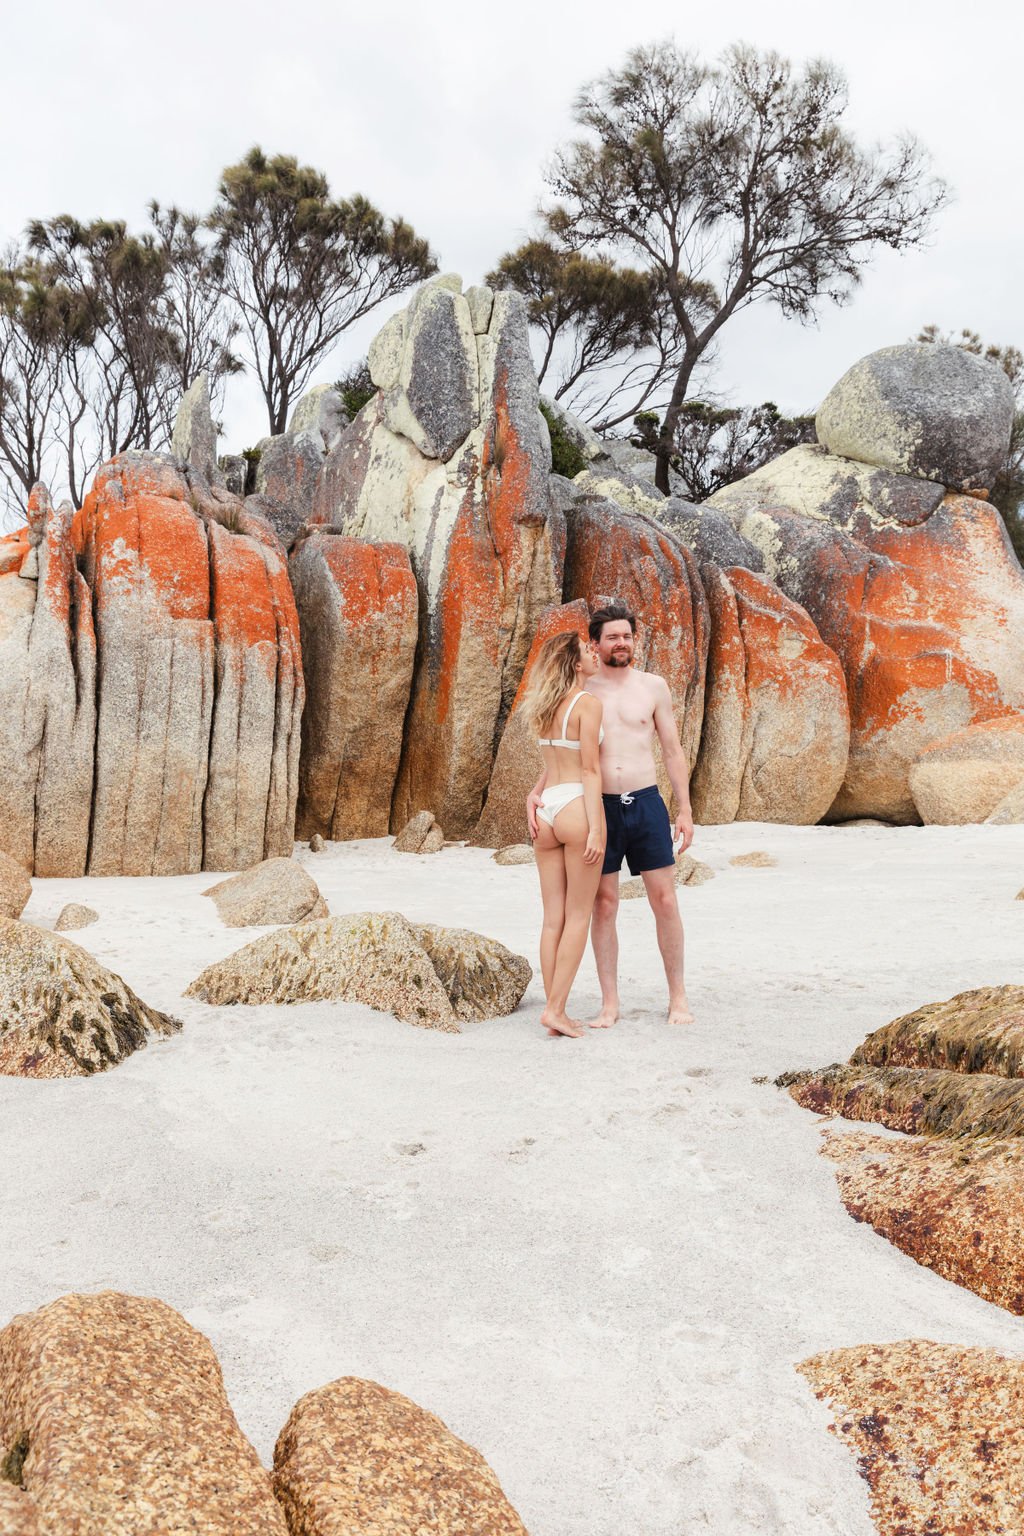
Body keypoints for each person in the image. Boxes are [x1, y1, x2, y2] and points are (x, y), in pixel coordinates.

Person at [528, 603, 694, 1028]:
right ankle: (609, 1004)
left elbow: (673, 751)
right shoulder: (584, 689)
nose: (621, 643)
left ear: (634, 639)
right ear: (595, 644)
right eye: (612, 637)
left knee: (665, 899)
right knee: (603, 904)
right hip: (596, 807)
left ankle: (678, 998)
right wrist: (537, 790)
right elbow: (569, 754)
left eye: (627, 636)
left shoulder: (653, 687)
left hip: (645, 801)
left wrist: (685, 808)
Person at [521, 631, 606, 1038]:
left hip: (548, 810)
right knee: (578, 916)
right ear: (574, 663)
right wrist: (599, 828)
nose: (593, 652)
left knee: (551, 918)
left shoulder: (546, 704)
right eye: (587, 650)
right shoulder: (587, 704)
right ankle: (555, 1010)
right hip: (575, 807)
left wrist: (534, 795)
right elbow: (590, 770)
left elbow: (554, 758)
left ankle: (557, 1008)